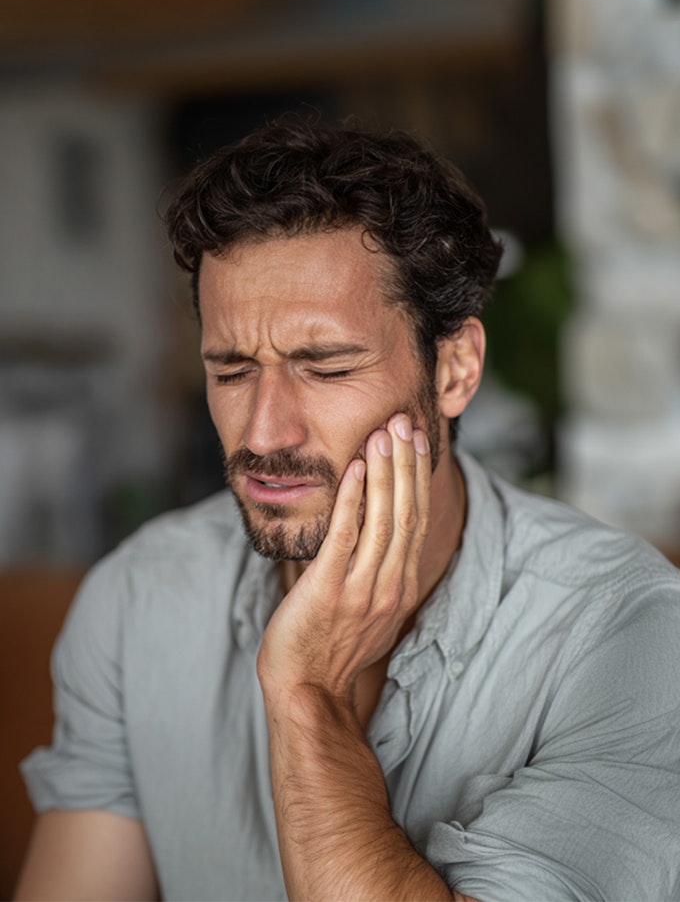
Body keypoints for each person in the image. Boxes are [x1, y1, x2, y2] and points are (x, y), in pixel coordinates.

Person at [16, 117, 680, 902]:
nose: (263, 433)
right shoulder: (136, 600)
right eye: (232, 372)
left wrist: (306, 695)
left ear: (455, 368)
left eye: (324, 367)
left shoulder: (623, 631)